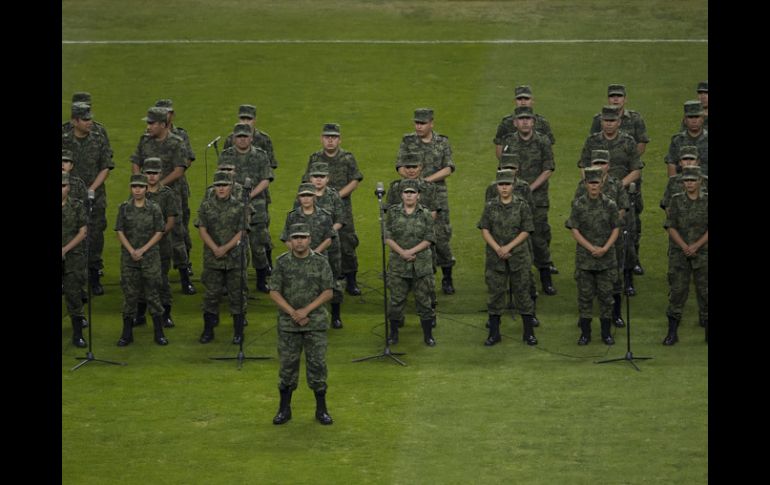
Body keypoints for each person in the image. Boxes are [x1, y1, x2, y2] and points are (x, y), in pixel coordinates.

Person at [269, 223, 335, 426]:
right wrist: (293, 313)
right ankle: (284, 409)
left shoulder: (321, 262)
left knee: (317, 365)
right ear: (290, 240)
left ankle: (321, 409)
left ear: (309, 239)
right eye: (296, 237)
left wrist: (305, 311)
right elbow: (274, 291)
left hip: (315, 324)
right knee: (287, 367)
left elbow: (328, 291)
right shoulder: (282, 262)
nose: (299, 241)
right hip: (289, 325)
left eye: (303, 237)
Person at [130, 106, 196, 295]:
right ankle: (146, 277)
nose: (148, 126)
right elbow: (136, 161)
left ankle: (185, 278)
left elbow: (179, 169)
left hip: (171, 196)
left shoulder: (176, 142)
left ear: (162, 124)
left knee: (176, 237)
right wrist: (141, 182)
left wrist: (158, 185)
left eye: (151, 123)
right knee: (144, 233)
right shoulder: (144, 140)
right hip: (146, 196)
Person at [579, 105, 643, 283]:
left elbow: (636, 170)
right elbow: (583, 166)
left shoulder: (628, 142)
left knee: (626, 237)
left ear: (619, 122)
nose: (609, 124)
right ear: (601, 122)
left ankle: (628, 278)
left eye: (612, 120)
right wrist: (593, 184)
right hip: (595, 194)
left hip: (621, 195)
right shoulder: (592, 141)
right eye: (606, 121)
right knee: (596, 233)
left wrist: (616, 186)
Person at [397, 109, 457, 294]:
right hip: (412, 195)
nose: (419, 126)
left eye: (422, 123)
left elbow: (448, 168)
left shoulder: (442, 142)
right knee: (413, 235)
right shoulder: (408, 141)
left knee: (441, 237)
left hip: (437, 196)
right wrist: (412, 180)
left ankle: (447, 277)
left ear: (431, 123)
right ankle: (418, 279)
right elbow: (400, 166)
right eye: (416, 123)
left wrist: (425, 181)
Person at [500, 105, 558, 295]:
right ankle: (516, 280)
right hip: (513, 197)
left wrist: (529, 188)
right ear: (515, 122)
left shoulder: (543, 141)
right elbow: (505, 169)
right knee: (513, 236)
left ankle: (546, 277)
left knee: (539, 238)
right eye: (521, 119)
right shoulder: (509, 142)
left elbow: (548, 168)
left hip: (537, 199)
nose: (524, 122)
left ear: (533, 121)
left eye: (528, 119)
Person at [478, 170, 538, 346]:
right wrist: (498, 248)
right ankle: (494, 334)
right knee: (495, 295)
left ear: (513, 186)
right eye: (501, 184)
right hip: (495, 257)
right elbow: (484, 229)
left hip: (518, 256)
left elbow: (526, 230)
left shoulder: (522, 205)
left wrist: (508, 247)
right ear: (497, 186)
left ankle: (528, 333)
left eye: (507, 184)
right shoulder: (490, 206)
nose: (504, 188)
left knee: (523, 293)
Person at [303, 123, 364, 296]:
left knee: (347, 243)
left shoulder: (347, 158)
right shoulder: (315, 158)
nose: (330, 140)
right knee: (317, 241)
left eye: (334, 137)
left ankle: (351, 280)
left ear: (339, 139)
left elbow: (355, 181)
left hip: (342, 208)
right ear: (322, 139)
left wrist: (335, 196)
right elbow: (306, 181)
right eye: (327, 137)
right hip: (317, 207)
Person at [62, 101, 114, 296]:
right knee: (68, 234)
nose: (90, 122)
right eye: (85, 119)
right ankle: (68, 277)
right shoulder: (64, 140)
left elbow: (106, 166)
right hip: (67, 196)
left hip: (95, 197)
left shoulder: (98, 139)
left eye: (90, 118)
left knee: (95, 235)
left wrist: (91, 189)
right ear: (74, 121)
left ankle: (94, 276)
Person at [573, 150, 630, 326]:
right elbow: (576, 211)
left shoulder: (616, 184)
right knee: (586, 280)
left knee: (614, 277)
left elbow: (623, 208)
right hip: (588, 239)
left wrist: (609, 224)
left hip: (611, 238)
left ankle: (616, 313)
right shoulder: (582, 185)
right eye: (596, 163)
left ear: (608, 165)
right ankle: (585, 316)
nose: (599, 167)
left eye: (602, 163)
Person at [565, 166, 620, 346]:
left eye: (596, 182)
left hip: (606, 260)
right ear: (586, 184)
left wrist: (605, 248)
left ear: (601, 183)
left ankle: (606, 333)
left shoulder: (610, 205)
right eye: (590, 182)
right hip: (585, 260)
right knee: (585, 297)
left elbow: (616, 228)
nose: (594, 186)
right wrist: (591, 248)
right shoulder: (578, 204)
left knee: (606, 297)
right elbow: (574, 229)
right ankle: (585, 334)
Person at [195, 170, 251, 344]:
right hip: (213, 259)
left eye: (224, 185)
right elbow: (202, 230)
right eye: (218, 185)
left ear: (231, 187)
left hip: (234, 259)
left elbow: (242, 231)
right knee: (211, 296)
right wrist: (215, 248)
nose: (221, 188)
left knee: (237, 296)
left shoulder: (240, 207)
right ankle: (208, 330)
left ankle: (238, 332)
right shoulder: (206, 206)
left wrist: (225, 248)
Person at [218, 123, 274, 293]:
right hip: (231, 205)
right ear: (234, 138)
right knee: (232, 246)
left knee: (258, 245)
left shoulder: (261, 155)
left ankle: (261, 280)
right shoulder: (226, 155)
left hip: (256, 206)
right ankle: (230, 282)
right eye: (239, 136)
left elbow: (266, 179)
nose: (242, 139)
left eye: (245, 136)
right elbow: (221, 179)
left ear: (251, 138)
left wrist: (249, 195)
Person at [223, 104, 279, 273]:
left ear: (254, 120)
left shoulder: (264, 140)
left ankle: (266, 265)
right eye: (242, 118)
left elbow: (270, 168)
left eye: (248, 119)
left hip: (259, 194)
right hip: (234, 195)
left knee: (261, 233)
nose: (245, 122)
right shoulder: (229, 140)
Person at [114, 174, 168, 347]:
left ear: (146, 189)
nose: (137, 190)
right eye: (134, 186)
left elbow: (159, 231)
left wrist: (143, 250)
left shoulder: (154, 208)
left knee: (153, 295)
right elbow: (119, 231)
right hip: (129, 259)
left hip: (150, 258)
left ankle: (159, 333)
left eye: (141, 187)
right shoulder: (124, 208)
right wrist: (132, 250)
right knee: (130, 296)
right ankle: (126, 334)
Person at [383, 179, 437, 346]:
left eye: (412, 192)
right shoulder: (392, 213)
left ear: (418, 195)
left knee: (424, 302)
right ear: (401, 195)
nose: (409, 195)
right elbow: (387, 236)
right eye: (406, 192)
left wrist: (411, 252)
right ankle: (393, 334)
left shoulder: (426, 214)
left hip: (420, 266)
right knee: (396, 301)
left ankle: (428, 336)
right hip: (398, 266)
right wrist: (402, 253)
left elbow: (429, 238)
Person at [663, 165, 708, 345]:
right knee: (677, 291)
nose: (689, 183)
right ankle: (672, 333)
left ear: (700, 181)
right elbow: (670, 225)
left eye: (692, 180)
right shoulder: (676, 200)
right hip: (679, 254)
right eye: (686, 180)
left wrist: (696, 245)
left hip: (703, 253)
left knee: (705, 292)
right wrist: (684, 246)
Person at [133, 157, 181, 330]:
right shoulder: (138, 192)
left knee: (162, 281)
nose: (152, 176)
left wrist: (156, 236)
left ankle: (166, 315)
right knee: (140, 280)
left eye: (155, 173)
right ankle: (140, 315)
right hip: (141, 247)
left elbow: (171, 221)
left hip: (161, 247)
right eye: (148, 173)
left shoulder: (167, 194)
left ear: (161, 174)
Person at [155, 99, 195, 284]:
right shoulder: (149, 136)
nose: (166, 115)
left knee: (180, 228)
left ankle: (184, 267)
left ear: (172, 114)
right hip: (154, 190)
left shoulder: (181, 134)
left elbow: (188, 159)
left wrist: (174, 171)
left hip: (177, 189)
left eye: (168, 111)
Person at [303, 162, 345, 328]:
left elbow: (340, 220)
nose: (318, 180)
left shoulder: (334, 196)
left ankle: (336, 315)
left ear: (328, 178)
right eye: (315, 176)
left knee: (333, 279)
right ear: (310, 178)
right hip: (306, 244)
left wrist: (327, 232)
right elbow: (296, 218)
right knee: (308, 280)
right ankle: (310, 314)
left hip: (331, 245)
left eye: (322, 176)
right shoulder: (304, 195)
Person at [494, 84, 556, 160]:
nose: (523, 102)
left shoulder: (542, 123)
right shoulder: (506, 123)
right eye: (519, 99)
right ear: (515, 101)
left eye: (526, 99)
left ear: (532, 101)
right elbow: (499, 151)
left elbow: (549, 152)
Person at [62, 171, 88, 348]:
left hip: (72, 258)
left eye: (63, 186)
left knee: (74, 294)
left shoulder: (77, 206)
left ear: (69, 187)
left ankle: (78, 334)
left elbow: (83, 232)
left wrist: (65, 249)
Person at [589, 84, 650, 155]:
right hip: (604, 160)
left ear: (625, 99)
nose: (616, 99)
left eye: (619, 96)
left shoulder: (635, 118)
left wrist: (632, 159)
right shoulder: (599, 119)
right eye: (612, 96)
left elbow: (642, 142)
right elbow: (592, 143)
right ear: (608, 99)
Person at [660, 146, 708, 214]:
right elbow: (667, 205)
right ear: (680, 162)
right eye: (685, 159)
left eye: (692, 159)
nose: (688, 162)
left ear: (697, 162)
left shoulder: (706, 181)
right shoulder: (673, 181)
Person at [666, 100, 708, 177]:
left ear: (702, 119)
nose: (694, 121)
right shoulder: (677, 140)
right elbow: (671, 164)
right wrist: (674, 183)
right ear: (685, 120)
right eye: (690, 117)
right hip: (684, 182)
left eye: (697, 117)